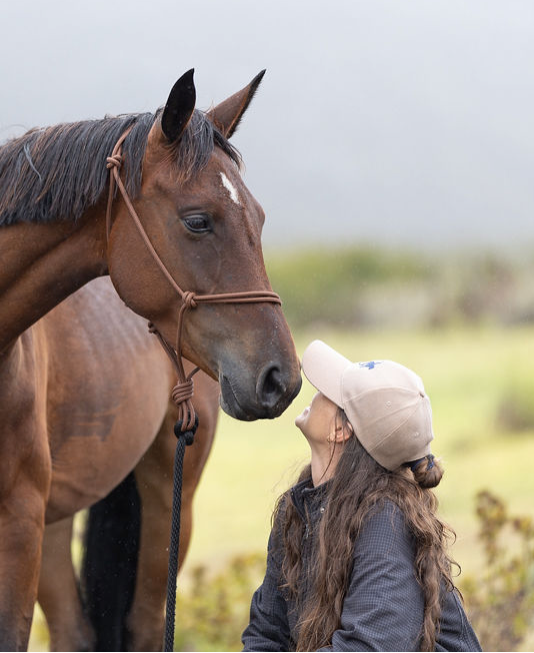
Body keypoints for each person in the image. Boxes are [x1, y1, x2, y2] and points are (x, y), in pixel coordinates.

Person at [242, 340, 481, 652]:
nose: (315, 393)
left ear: (341, 431)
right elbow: (266, 633)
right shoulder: (301, 507)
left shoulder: (388, 524)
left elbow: (366, 647)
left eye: (326, 392)